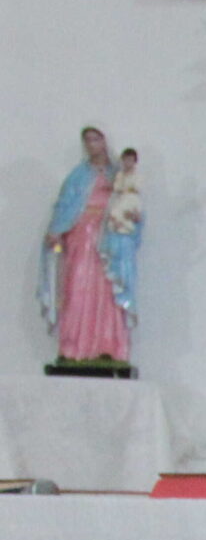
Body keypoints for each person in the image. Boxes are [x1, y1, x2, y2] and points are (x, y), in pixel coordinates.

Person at [39, 126, 133, 369]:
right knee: (77, 287)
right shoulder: (78, 176)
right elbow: (65, 205)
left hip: (109, 239)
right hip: (81, 236)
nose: (92, 145)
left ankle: (109, 346)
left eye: (96, 139)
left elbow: (132, 204)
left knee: (107, 292)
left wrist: (126, 217)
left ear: (105, 141)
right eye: (87, 141)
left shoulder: (119, 175)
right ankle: (74, 346)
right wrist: (56, 231)